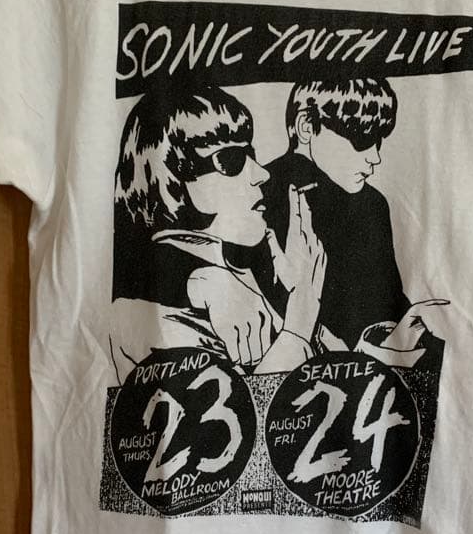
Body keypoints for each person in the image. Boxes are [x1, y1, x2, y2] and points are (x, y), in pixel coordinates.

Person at [109, 82, 325, 383]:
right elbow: (242, 410)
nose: (262, 173)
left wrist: (296, 302)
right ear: (169, 175)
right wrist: (298, 322)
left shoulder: (238, 274)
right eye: (231, 159)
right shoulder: (145, 310)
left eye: (251, 154)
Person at [257, 78, 412, 350]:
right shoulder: (258, 193)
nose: (375, 157)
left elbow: (389, 300)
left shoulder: (372, 203)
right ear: (307, 126)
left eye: (378, 140)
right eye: (362, 139)